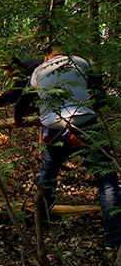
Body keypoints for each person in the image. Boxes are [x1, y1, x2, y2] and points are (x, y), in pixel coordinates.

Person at [13, 46, 121, 248]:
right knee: (106, 179)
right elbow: (101, 96)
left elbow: (21, 102)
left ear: (47, 57)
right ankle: (114, 239)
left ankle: (41, 222)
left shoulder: (39, 70)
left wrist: (18, 120)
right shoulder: (81, 62)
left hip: (54, 128)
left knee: (49, 172)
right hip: (85, 124)